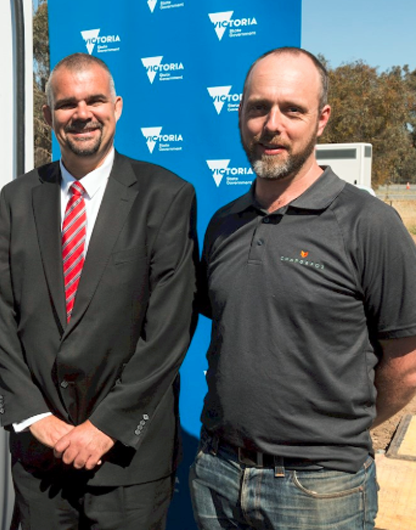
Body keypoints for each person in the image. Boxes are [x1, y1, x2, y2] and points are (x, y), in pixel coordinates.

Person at [190, 47, 416, 530]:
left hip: (320, 492)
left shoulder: (369, 224)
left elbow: (406, 363)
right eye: (258, 107)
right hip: (218, 475)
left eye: (292, 110)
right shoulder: (223, 224)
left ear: (321, 119)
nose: (273, 125)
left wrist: (335, 434)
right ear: (241, 114)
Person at [0, 52, 198, 529]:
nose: (82, 114)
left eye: (95, 100)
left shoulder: (165, 196)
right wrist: (32, 415)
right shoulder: (17, 199)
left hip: (127, 460)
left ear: (117, 106)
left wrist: (106, 427)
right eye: (67, 104)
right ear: (48, 116)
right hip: (40, 456)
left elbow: (170, 328)